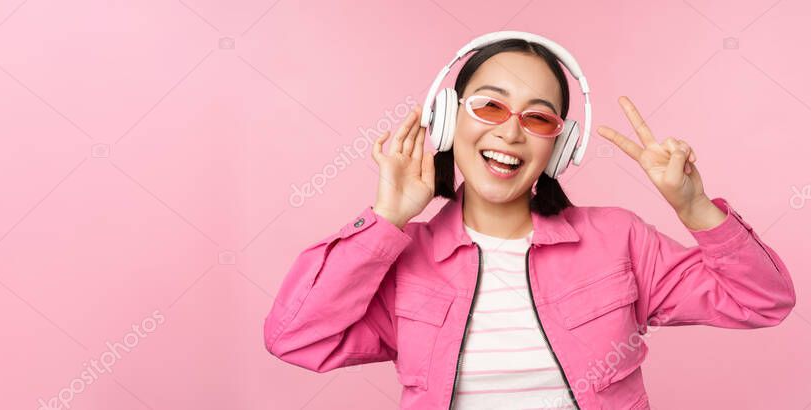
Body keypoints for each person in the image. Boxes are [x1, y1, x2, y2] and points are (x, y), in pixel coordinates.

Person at [263, 37, 796, 409]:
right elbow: (296, 338)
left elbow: (762, 301)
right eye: (489, 106)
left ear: (559, 147)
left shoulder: (619, 239)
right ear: (448, 120)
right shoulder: (405, 260)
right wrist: (388, 219)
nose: (511, 132)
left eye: (538, 117)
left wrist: (693, 206)